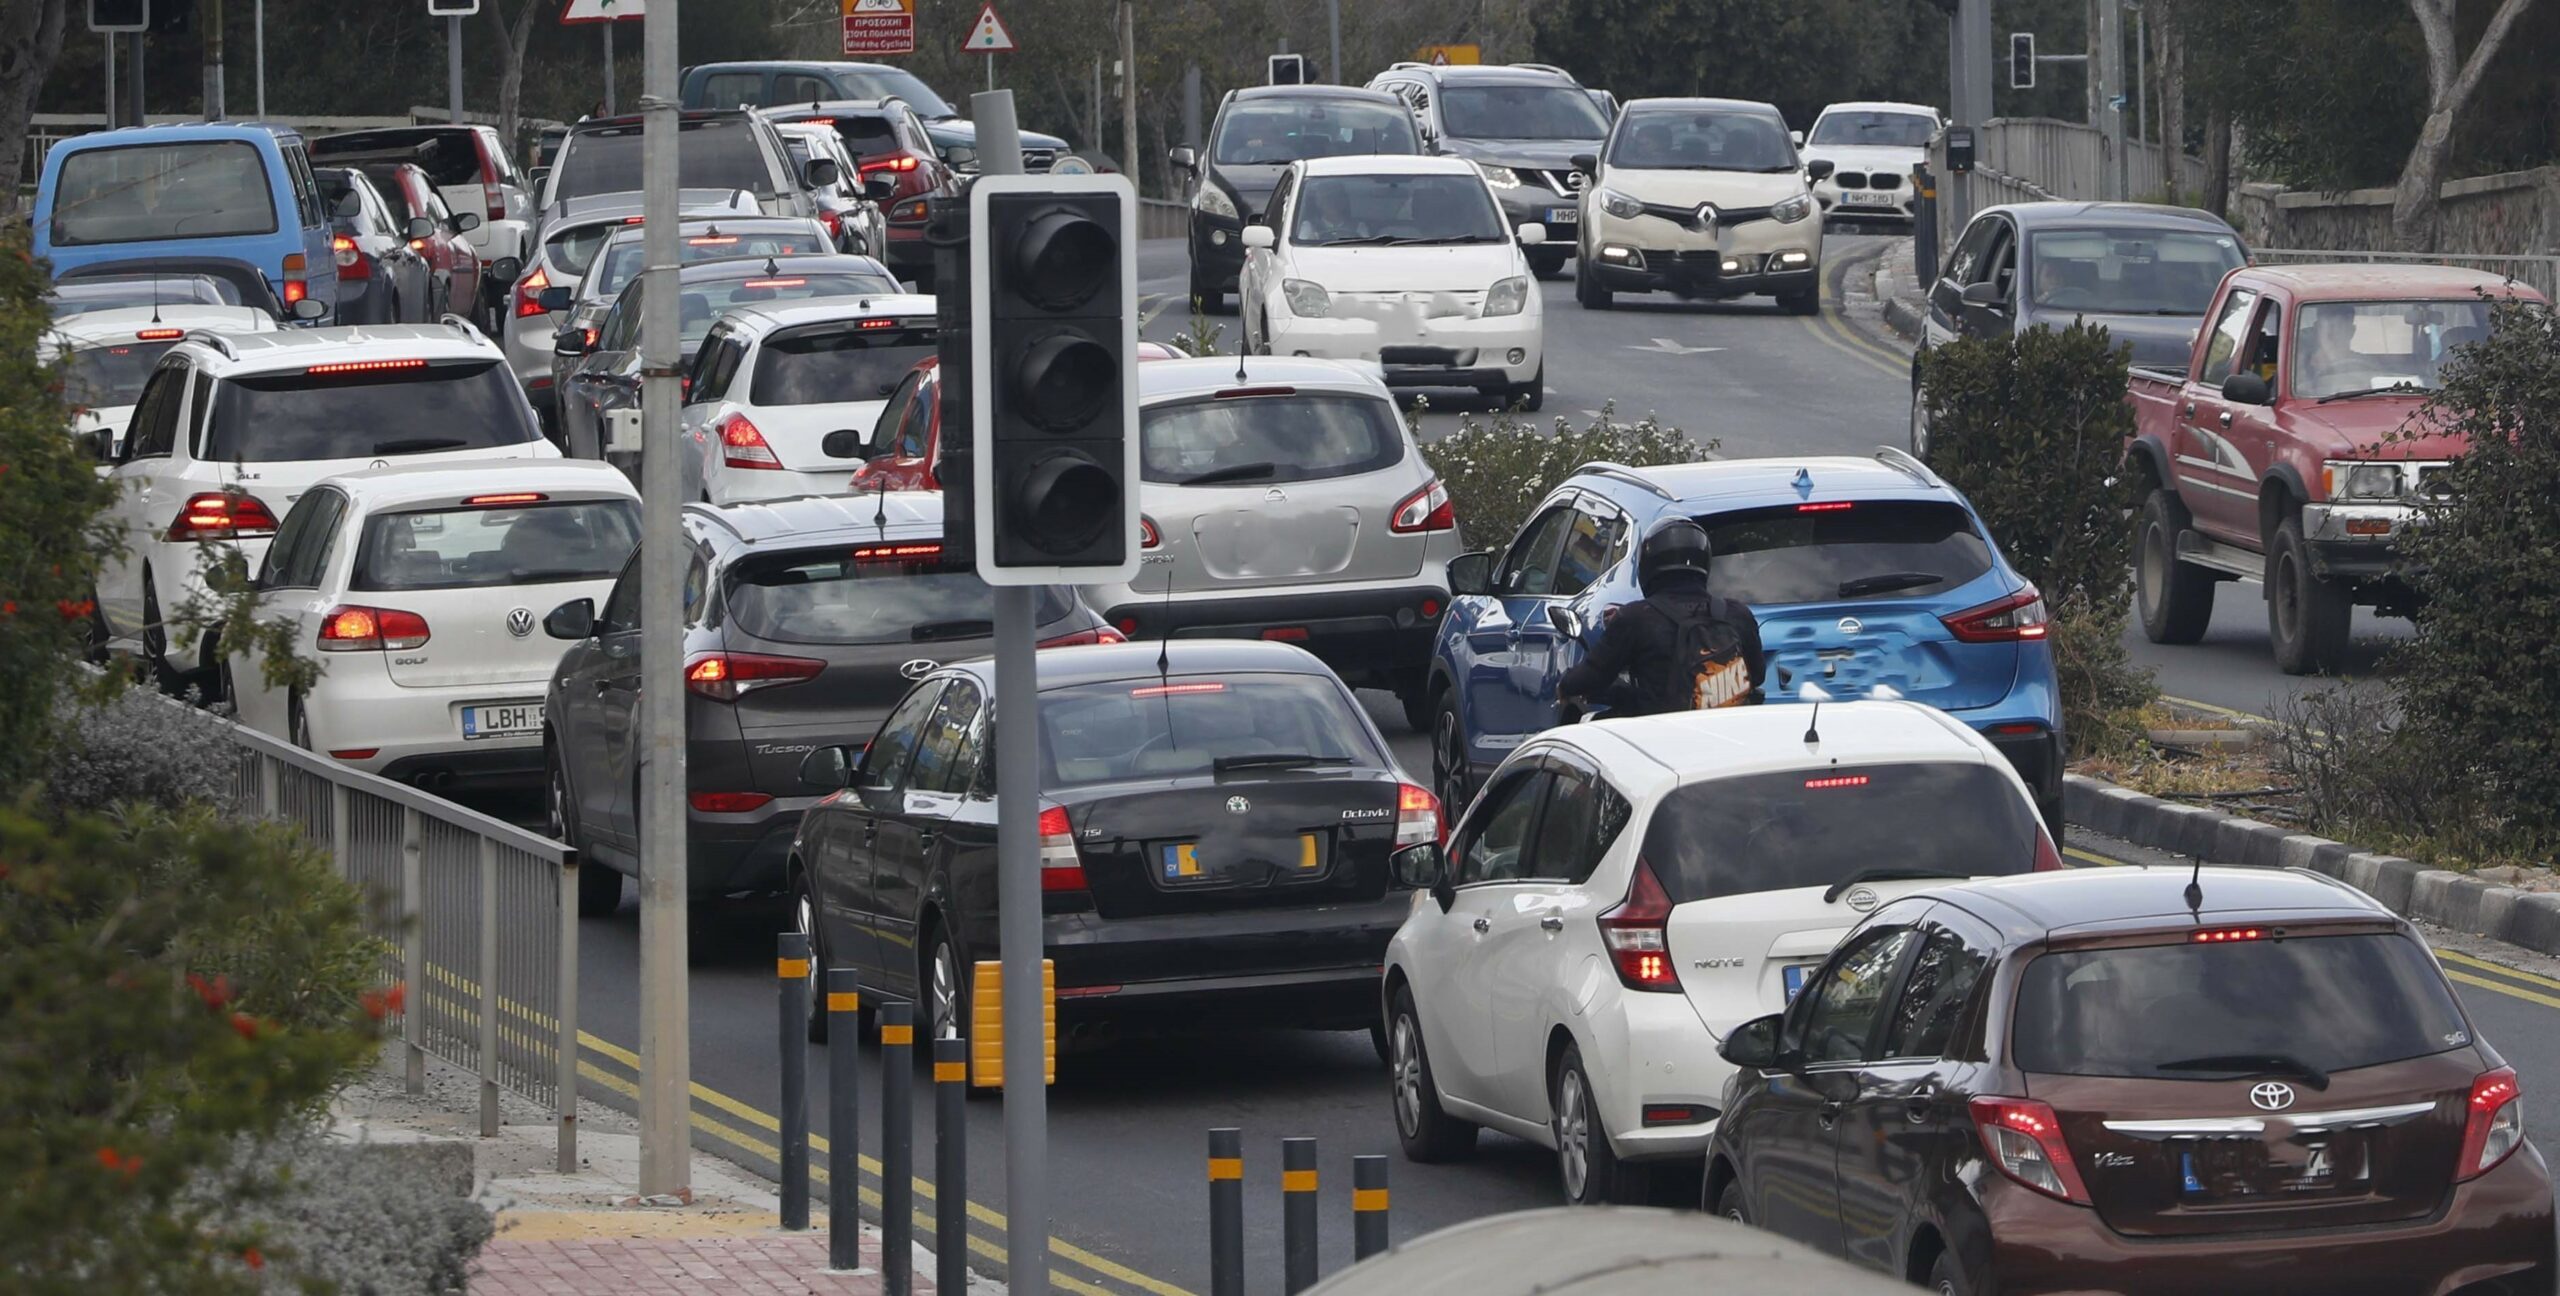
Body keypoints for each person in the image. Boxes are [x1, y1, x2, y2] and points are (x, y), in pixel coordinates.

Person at [1558, 518, 1766, 719]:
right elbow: (1757, 675)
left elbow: (1591, 677)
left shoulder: (1636, 618)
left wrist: (1565, 684)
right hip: (1732, 734)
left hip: (1665, 737)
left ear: (1648, 564)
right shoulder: (1737, 613)